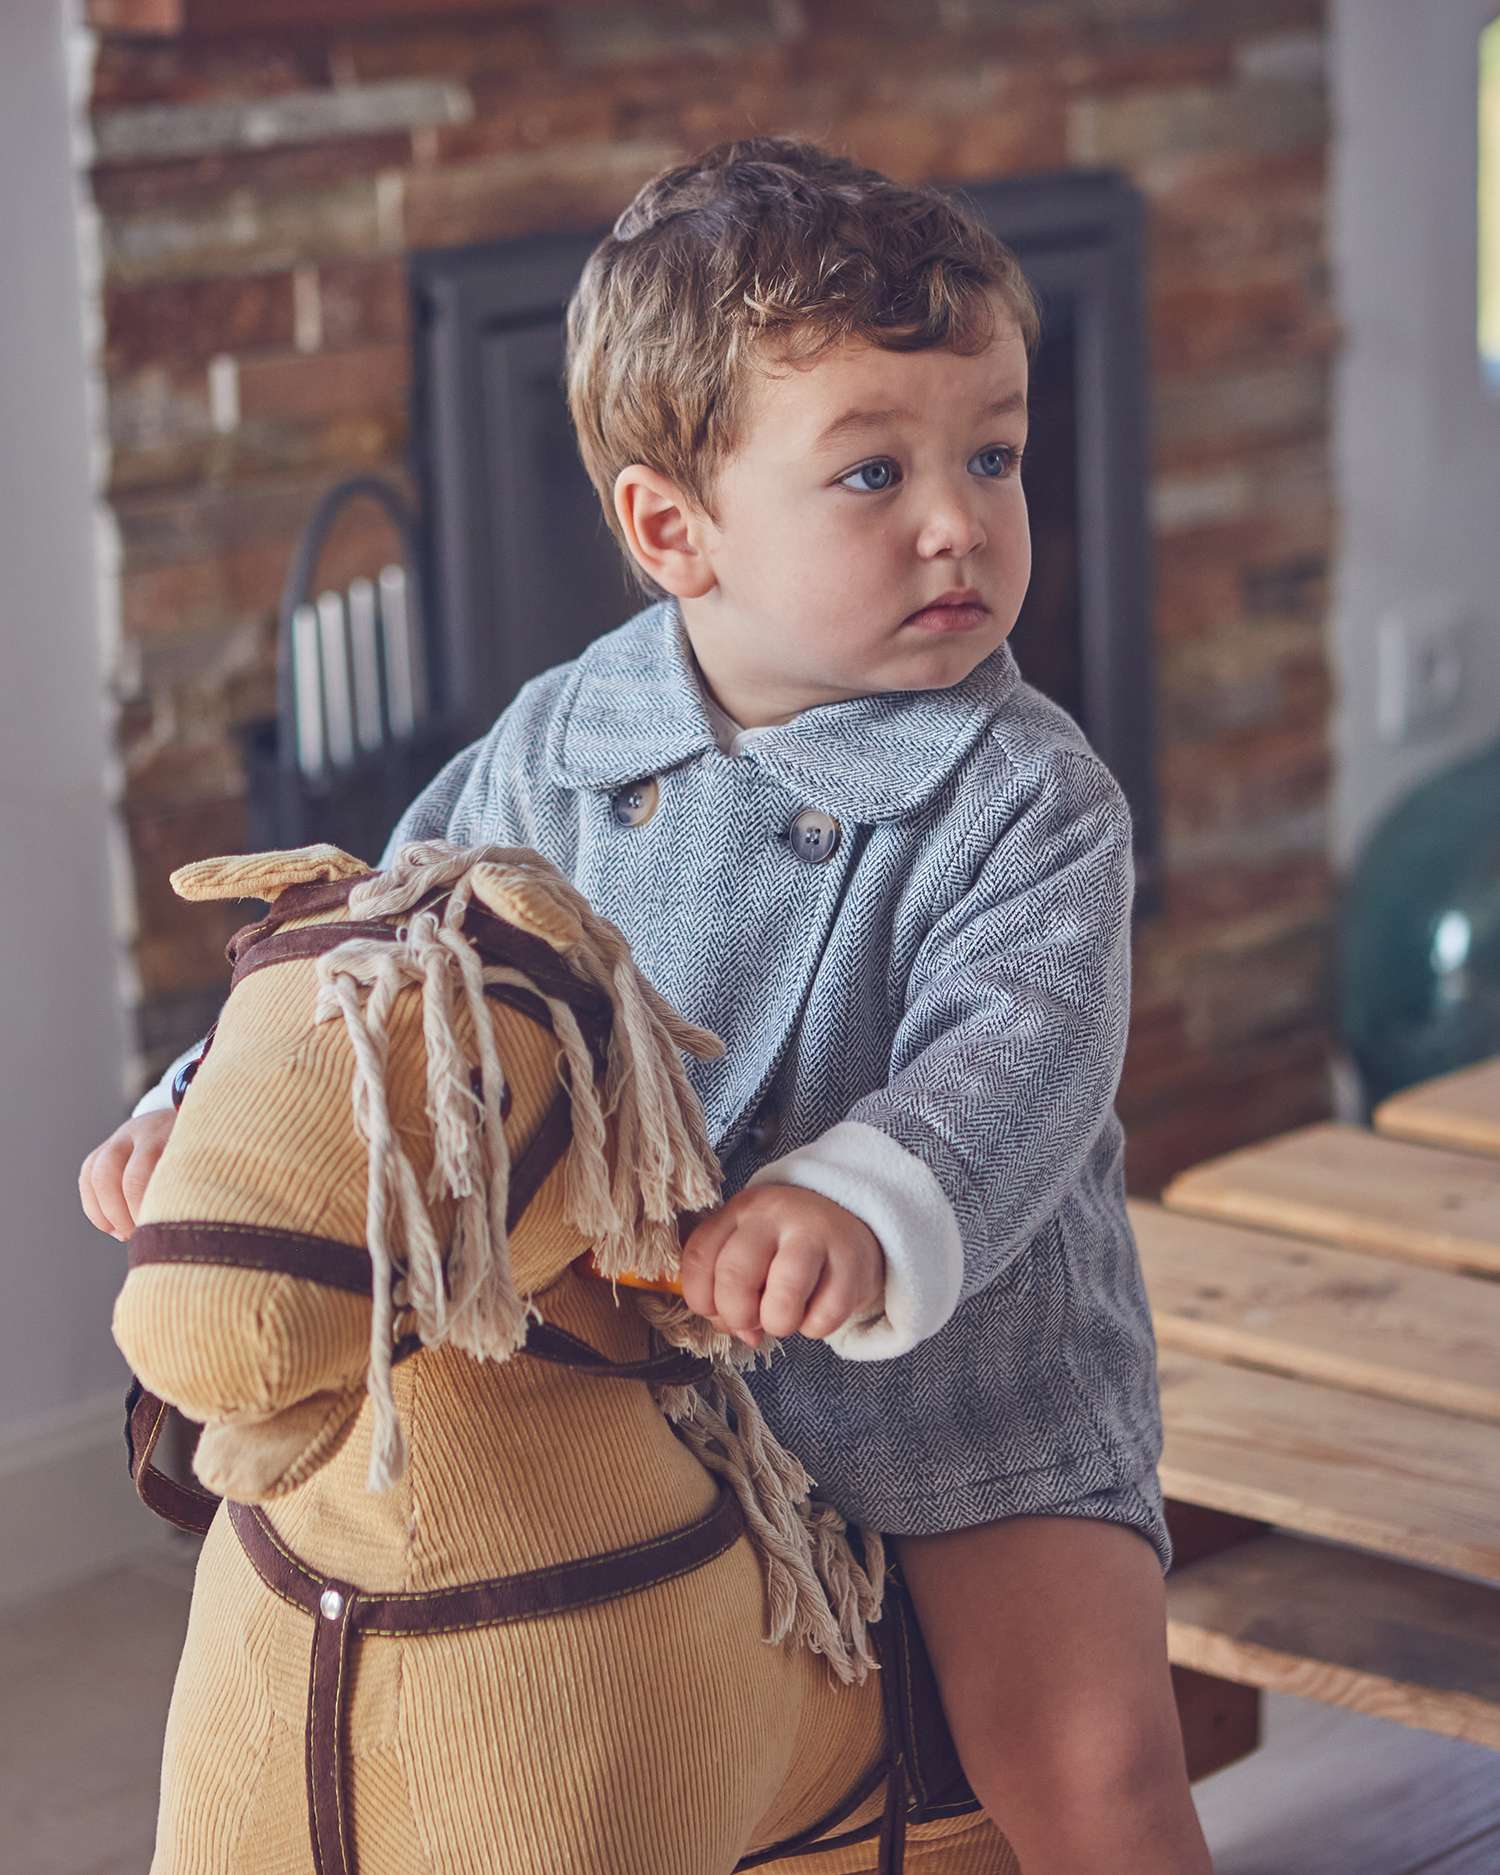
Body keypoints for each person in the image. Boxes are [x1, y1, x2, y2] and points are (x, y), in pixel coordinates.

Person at [81, 136, 1212, 1873]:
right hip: (626, 1377)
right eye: (871, 473)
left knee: (1089, 1761)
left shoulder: (1027, 792)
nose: (957, 520)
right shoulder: (554, 746)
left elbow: (1027, 1049)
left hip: (956, 1398)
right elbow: (383, 968)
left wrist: (861, 1193)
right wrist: (192, 1111)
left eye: (994, 456)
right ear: (672, 528)